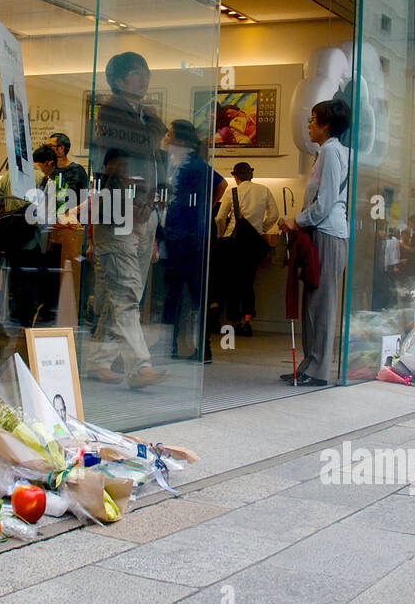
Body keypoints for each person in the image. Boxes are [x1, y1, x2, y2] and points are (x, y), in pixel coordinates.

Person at [87, 51, 166, 388]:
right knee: (125, 289)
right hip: (121, 208)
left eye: (146, 71)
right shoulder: (114, 111)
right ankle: (139, 365)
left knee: (122, 290)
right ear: (118, 80)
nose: (144, 78)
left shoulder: (145, 115)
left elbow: (156, 164)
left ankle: (98, 361)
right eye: (136, 72)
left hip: (143, 209)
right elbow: (114, 165)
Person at [280, 98, 351, 386]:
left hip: (328, 234)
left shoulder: (332, 152)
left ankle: (319, 369)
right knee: (312, 302)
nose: (309, 125)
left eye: (313, 119)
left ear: (326, 124)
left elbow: (326, 202)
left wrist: (297, 220)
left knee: (321, 303)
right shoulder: (326, 152)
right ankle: (310, 365)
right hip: (321, 233)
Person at [161, 120, 226, 361]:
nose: (166, 139)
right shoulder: (174, 164)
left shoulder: (195, 165)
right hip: (177, 233)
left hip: (190, 236)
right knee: (176, 292)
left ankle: (200, 347)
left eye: (170, 134)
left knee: (192, 293)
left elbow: (221, 184)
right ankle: (173, 344)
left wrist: (204, 209)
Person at [0, 145, 58, 329]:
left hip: (9, 238)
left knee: (11, 276)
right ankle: (24, 320)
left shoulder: (10, 174)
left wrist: (7, 215)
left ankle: (8, 316)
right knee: (29, 279)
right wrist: (49, 239)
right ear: (48, 163)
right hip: (32, 238)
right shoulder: (45, 180)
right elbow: (49, 216)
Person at [215, 160, 278, 336]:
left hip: (233, 243)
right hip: (253, 243)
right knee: (248, 282)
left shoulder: (232, 192)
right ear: (251, 175)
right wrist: (262, 228)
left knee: (232, 283)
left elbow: (219, 218)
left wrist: (221, 235)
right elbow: (274, 214)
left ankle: (235, 322)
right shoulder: (264, 190)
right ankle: (248, 320)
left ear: (236, 177)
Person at [48, 132, 89, 198]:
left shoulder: (78, 170)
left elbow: (85, 198)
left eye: (50, 146)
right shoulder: (48, 169)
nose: (47, 149)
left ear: (61, 148)